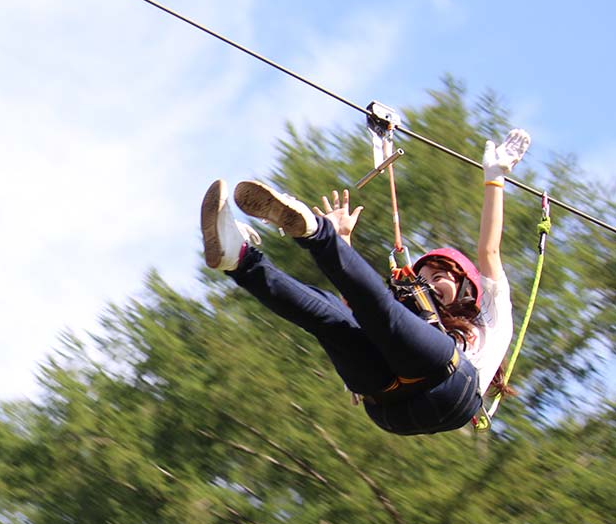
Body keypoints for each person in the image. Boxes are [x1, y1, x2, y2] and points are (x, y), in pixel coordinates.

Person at [200, 129, 530, 435]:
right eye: (424, 277)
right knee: (329, 318)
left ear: (467, 287)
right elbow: (360, 311)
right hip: (390, 401)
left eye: (440, 277)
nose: (430, 284)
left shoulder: (490, 313)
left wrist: (495, 178)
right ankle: (241, 260)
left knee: (383, 310)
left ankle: (317, 234)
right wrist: (345, 240)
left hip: (451, 389)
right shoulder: (421, 322)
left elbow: (489, 249)